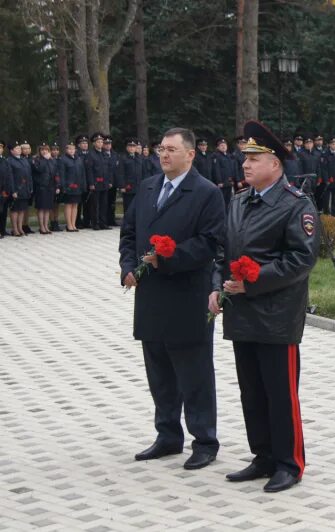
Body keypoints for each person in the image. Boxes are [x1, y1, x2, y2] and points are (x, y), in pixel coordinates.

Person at [209, 120, 319, 493]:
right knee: (251, 391)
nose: (246, 164)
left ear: (275, 163)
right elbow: (224, 252)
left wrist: (254, 279)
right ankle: (263, 456)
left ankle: (289, 463)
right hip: (241, 312)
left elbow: (300, 260)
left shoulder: (296, 205)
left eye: (254, 158)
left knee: (279, 392)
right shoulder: (239, 201)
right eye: (245, 158)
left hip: (276, 316)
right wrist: (215, 288)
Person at [119, 127, 225, 470]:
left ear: (190, 154)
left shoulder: (206, 193)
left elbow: (210, 243)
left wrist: (170, 257)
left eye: (170, 149)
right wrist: (127, 268)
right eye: (161, 149)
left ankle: (204, 441)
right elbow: (130, 233)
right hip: (151, 297)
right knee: (160, 373)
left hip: (186, 296)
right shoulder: (148, 187)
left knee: (194, 374)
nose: (163, 155)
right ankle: (167, 435)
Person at [57, 141, 86, 232]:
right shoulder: (63, 159)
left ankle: (73, 224)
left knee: (75, 205)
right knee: (69, 205)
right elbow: (62, 174)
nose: (71, 150)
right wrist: (64, 187)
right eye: (69, 148)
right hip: (69, 186)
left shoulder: (78, 159)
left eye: (73, 149)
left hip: (78, 186)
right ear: (66, 150)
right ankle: (69, 225)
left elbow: (82, 173)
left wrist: (83, 185)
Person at [85, 132, 111, 230]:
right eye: (98, 142)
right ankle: (95, 223)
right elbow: (89, 170)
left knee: (104, 204)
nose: (100, 143)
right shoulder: (91, 154)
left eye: (101, 142)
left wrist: (108, 181)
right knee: (95, 205)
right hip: (96, 183)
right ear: (94, 143)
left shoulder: (104, 154)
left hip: (104, 183)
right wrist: (91, 183)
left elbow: (108, 169)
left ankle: (103, 223)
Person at [7, 141, 33, 237]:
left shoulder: (24, 160)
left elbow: (29, 175)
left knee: (22, 209)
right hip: (16, 189)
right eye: (16, 149)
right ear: (11, 151)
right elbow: (10, 177)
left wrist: (30, 187)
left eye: (19, 148)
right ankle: (14, 229)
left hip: (25, 189)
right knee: (15, 210)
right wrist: (13, 191)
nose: (19, 150)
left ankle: (20, 227)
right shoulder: (9, 161)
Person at [32, 143, 59, 234]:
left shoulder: (52, 160)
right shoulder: (37, 159)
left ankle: (46, 226)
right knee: (41, 208)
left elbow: (55, 173)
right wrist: (44, 159)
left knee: (48, 208)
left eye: (46, 150)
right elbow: (39, 169)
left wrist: (57, 185)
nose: (44, 151)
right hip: (41, 187)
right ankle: (41, 227)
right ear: (39, 151)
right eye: (42, 149)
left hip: (50, 187)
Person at [119, 138, 145, 215]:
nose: (132, 148)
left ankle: (136, 223)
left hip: (138, 186)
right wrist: (122, 186)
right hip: (128, 186)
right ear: (127, 147)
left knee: (138, 206)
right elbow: (120, 173)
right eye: (130, 146)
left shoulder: (139, 158)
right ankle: (127, 224)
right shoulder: (123, 158)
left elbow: (143, 172)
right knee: (128, 206)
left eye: (133, 146)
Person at [211, 137, 237, 210]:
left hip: (229, 182)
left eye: (225, 145)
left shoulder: (229, 156)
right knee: (221, 202)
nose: (223, 146)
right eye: (221, 145)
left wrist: (232, 179)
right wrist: (219, 181)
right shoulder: (216, 156)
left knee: (228, 201)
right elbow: (216, 170)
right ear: (217, 147)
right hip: (222, 183)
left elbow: (231, 169)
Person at [320, 137, 335, 216]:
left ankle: (334, 211)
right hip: (328, 179)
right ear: (329, 145)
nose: (334, 145)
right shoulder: (325, 154)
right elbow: (324, 168)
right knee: (327, 197)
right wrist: (326, 179)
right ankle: (326, 211)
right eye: (333, 144)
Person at [103, 136, 120, 226]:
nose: (108, 146)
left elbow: (117, 170)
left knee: (112, 203)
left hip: (114, 183)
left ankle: (111, 219)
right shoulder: (102, 154)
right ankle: (104, 220)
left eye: (109, 144)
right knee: (104, 203)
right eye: (106, 144)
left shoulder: (115, 155)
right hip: (105, 183)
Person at [0, 141, 9, 237]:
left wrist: (7, 189)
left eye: (1, 148)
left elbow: (8, 175)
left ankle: (3, 229)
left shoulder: (4, 161)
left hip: (4, 190)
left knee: (3, 211)